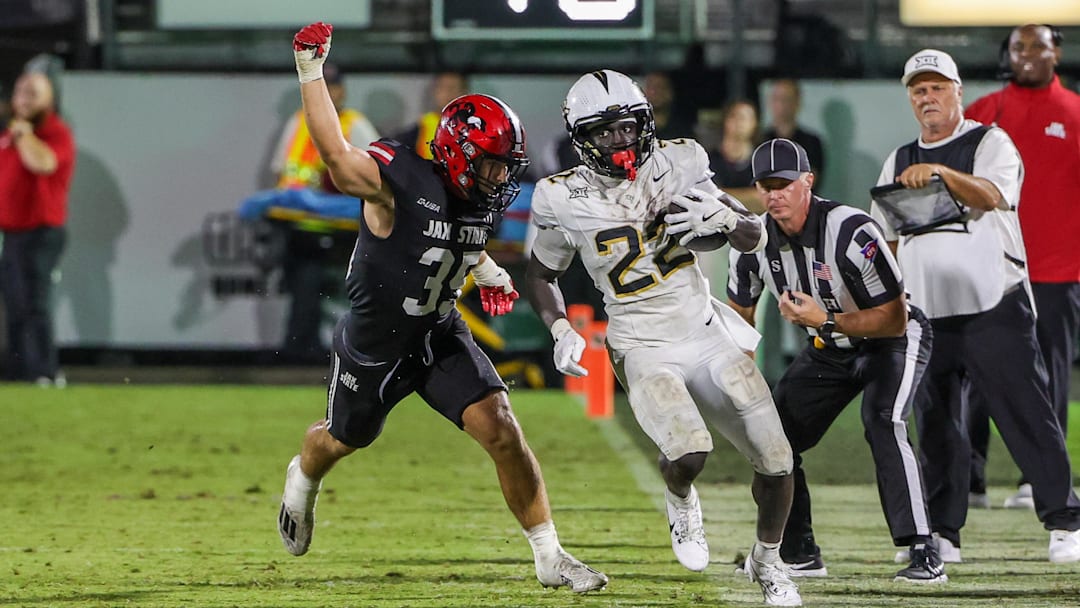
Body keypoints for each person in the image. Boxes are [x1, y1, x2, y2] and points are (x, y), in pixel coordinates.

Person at [278, 22, 608, 594]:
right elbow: (334, 155)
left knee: (503, 428)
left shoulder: (478, 198)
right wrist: (311, 69)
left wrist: (489, 273)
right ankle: (301, 482)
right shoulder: (399, 180)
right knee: (341, 439)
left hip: (437, 333)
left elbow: (461, 239)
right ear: (458, 154)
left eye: (508, 166)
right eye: (494, 165)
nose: (503, 178)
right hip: (375, 344)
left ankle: (550, 557)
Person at [526, 69, 801, 607]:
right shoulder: (560, 196)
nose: (619, 141)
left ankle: (769, 562)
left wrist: (722, 214)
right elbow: (540, 274)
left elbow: (754, 235)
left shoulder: (682, 162)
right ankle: (681, 498)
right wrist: (559, 327)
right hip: (640, 340)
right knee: (690, 452)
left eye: (627, 127)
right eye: (604, 133)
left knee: (778, 459)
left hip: (704, 329)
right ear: (582, 138)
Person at [870, 48, 1080, 563]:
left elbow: (992, 195)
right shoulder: (898, 159)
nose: (928, 97)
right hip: (928, 312)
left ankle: (1065, 521)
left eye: (937, 87)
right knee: (937, 424)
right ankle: (943, 532)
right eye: (919, 90)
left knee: (1026, 414)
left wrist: (940, 173)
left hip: (995, 305)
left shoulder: (990, 141)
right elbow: (887, 237)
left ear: (958, 92)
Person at [727, 138, 944, 583]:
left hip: (893, 339)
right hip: (829, 347)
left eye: (783, 184)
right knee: (774, 435)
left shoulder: (850, 230)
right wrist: (737, 381)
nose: (774, 195)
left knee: (883, 419)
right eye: (765, 186)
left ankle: (924, 549)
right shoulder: (752, 241)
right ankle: (799, 550)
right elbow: (739, 320)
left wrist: (826, 316)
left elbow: (895, 318)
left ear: (808, 181)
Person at [964, 24, 1080, 511]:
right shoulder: (983, 113)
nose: (1028, 54)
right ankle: (967, 481)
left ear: (1057, 52)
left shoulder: (1075, 113)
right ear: (1006, 55)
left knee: (1048, 377)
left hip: (1058, 270)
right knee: (973, 372)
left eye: (1038, 45)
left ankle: (1039, 481)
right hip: (988, 268)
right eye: (1018, 46)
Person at [239, 63, 380, 362]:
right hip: (296, 225)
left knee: (319, 284)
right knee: (301, 286)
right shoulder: (298, 122)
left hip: (339, 229)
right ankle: (300, 351)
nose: (327, 95)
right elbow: (283, 174)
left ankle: (308, 352)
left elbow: (375, 177)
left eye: (332, 88)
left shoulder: (355, 125)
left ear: (342, 92)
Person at [0, 71, 75, 385]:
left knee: (35, 303)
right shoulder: (8, 135)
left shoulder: (55, 133)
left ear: (49, 100)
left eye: (33, 93)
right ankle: (18, 372)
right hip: (11, 233)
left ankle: (45, 371)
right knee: (14, 305)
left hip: (41, 232)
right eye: (20, 91)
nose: (24, 98)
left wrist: (24, 136)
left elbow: (43, 164)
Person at [762, 79, 826, 188]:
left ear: (797, 102)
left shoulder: (812, 142)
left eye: (786, 99)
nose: (781, 104)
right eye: (776, 99)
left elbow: (809, 181)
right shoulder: (761, 140)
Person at [394, 71, 469, 158]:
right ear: (435, 92)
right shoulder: (421, 128)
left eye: (453, 88)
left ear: (464, 92)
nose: (448, 94)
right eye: (442, 88)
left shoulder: (474, 126)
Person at [708, 99, 762, 212]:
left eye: (745, 117)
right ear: (726, 120)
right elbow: (708, 199)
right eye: (734, 116)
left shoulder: (763, 162)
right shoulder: (709, 160)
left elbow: (765, 200)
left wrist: (724, 195)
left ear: (755, 123)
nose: (739, 122)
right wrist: (751, 196)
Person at [643, 71, 696, 140]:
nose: (656, 92)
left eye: (661, 87)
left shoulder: (683, 127)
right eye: (652, 88)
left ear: (671, 93)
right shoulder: (637, 127)